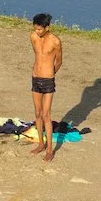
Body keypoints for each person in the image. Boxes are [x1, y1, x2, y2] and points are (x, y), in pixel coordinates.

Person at [28, 13, 64, 161]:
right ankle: (40, 144)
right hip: (35, 78)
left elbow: (59, 61)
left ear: (47, 27)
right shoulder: (33, 37)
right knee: (37, 113)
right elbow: (38, 56)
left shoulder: (55, 41)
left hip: (48, 80)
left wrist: (50, 73)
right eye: (35, 29)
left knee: (46, 114)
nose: (37, 32)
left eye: (40, 29)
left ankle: (50, 149)